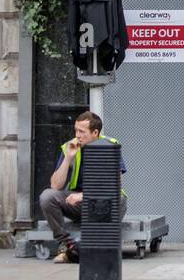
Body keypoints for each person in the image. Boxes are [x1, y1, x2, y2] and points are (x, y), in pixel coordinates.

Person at [39, 110, 127, 263]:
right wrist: (68, 158)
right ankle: (67, 245)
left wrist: (85, 195)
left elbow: (116, 183)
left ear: (95, 132)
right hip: (78, 203)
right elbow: (55, 185)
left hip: (105, 203)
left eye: (82, 131)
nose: (77, 135)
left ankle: (90, 248)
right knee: (47, 196)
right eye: (76, 130)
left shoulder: (110, 145)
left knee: (118, 197)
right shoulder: (70, 146)